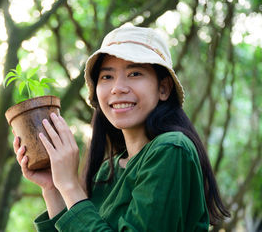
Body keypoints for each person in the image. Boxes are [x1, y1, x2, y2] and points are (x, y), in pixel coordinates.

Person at [13, 25, 230, 231]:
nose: (118, 88)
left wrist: (70, 185)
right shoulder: (108, 171)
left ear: (163, 88)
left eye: (135, 73)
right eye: (107, 76)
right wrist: (53, 187)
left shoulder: (171, 149)